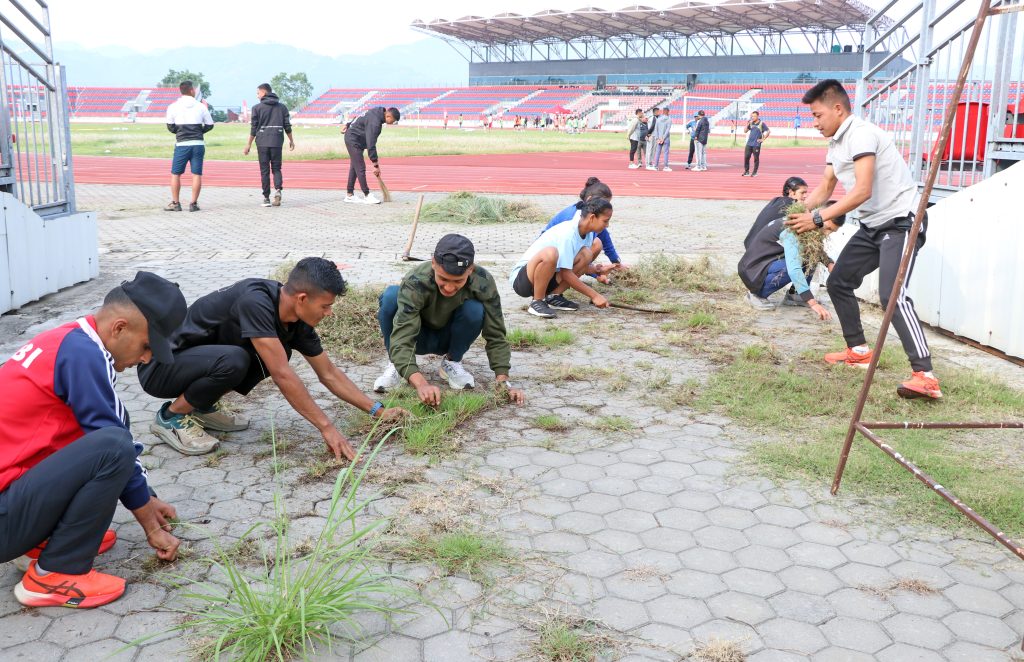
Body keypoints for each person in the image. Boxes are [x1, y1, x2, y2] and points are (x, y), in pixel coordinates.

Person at [0, 273, 186, 608]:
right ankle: (54, 574)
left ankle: (45, 543)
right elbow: (114, 444)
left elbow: (115, 426)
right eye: (147, 346)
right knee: (112, 446)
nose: (146, 359)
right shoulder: (85, 355)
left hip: (9, 503)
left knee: (111, 438)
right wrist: (150, 527)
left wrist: (147, 496)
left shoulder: (68, 342)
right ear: (119, 328)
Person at [137, 258, 408, 459]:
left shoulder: (297, 320)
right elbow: (282, 375)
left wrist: (378, 411)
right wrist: (327, 428)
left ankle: (201, 408)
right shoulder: (255, 301)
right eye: (325, 306)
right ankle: (171, 417)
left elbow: (329, 373)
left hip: (196, 364)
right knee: (238, 359)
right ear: (302, 298)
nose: (329, 313)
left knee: (269, 354)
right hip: (159, 367)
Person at [786, 79, 941, 400]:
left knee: (892, 295)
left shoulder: (861, 134)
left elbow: (862, 190)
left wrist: (816, 218)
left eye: (817, 116)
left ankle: (925, 375)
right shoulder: (836, 142)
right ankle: (857, 350)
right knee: (840, 281)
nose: (814, 123)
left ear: (838, 109)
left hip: (901, 223)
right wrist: (796, 212)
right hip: (873, 227)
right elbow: (827, 188)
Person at [373, 235, 526, 405]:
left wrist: (502, 381)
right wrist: (421, 384)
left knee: (475, 309)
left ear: (470, 270)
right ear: (433, 263)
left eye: (458, 281)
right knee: (391, 297)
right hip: (417, 338)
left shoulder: (483, 281)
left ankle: (452, 362)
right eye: (443, 279)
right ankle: (398, 364)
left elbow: (496, 333)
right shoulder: (416, 281)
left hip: (449, 339)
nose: (449, 287)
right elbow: (402, 336)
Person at [510, 198, 613, 319]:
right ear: (592, 218)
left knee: (587, 254)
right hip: (523, 281)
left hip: (547, 277)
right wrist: (594, 295)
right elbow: (566, 273)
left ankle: (553, 296)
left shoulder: (588, 234)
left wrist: (596, 269)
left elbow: (571, 264)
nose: (607, 225)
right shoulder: (568, 234)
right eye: (605, 221)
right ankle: (537, 301)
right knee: (550, 253)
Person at [739, 204, 846, 316]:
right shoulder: (791, 231)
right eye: (827, 228)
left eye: (832, 231)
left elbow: (816, 250)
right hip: (753, 270)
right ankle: (756, 295)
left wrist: (829, 263)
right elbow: (794, 269)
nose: (827, 233)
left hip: (768, 262)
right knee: (792, 266)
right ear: (818, 218)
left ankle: (795, 295)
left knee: (811, 256)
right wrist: (812, 303)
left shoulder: (807, 225)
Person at [542, 177, 625, 284]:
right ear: (589, 199)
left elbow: (605, 239)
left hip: (563, 259)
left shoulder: (592, 219)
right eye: (603, 203)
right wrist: (595, 288)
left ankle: (560, 286)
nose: (606, 208)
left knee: (596, 243)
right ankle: (556, 287)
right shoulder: (573, 220)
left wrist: (617, 264)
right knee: (594, 245)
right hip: (547, 260)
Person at [164, 81, 214, 212]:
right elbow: (210, 125)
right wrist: (198, 132)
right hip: (197, 144)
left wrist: (181, 133)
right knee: (196, 174)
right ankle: (193, 204)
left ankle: (176, 203)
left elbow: (170, 126)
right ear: (192, 91)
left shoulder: (173, 107)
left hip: (182, 144)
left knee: (176, 174)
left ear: (181, 91)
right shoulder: (201, 107)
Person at [244, 83, 294, 208]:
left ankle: (266, 198)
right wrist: (291, 140)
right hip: (277, 141)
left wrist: (248, 144)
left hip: (262, 143)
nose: (257, 96)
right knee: (276, 168)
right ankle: (278, 190)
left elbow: (254, 128)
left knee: (264, 170)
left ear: (264, 92)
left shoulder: (256, 108)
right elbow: (287, 126)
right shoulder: (282, 107)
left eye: (258, 93)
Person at [343, 106, 400, 205]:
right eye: (393, 121)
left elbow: (360, 117)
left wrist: (348, 125)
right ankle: (367, 195)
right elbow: (371, 144)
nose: (393, 123)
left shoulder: (377, 111)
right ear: (389, 116)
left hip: (356, 138)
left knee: (355, 167)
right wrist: (375, 165)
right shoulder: (375, 123)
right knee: (360, 167)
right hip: (353, 139)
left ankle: (349, 195)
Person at [744, 176, 809, 249]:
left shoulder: (776, 201)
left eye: (806, 193)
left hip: (749, 243)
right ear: (791, 192)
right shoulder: (792, 206)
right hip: (759, 248)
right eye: (802, 193)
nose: (805, 196)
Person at [743, 111, 770, 177]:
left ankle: (754, 172)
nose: (753, 117)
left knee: (756, 158)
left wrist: (763, 139)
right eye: (752, 116)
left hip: (756, 144)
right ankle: (746, 171)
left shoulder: (761, 123)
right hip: (749, 143)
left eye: (754, 116)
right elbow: (745, 131)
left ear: (758, 116)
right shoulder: (751, 123)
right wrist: (747, 124)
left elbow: (768, 131)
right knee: (746, 157)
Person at [652, 107, 673, 171]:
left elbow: (656, 129)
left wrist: (658, 138)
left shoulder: (658, 119)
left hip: (659, 138)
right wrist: (663, 138)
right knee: (666, 152)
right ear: (668, 111)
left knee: (657, 152)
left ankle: (655, 166)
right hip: (665, 138)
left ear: (663, 111)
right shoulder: (669, 119)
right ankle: (666, 166)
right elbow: (667, 130)